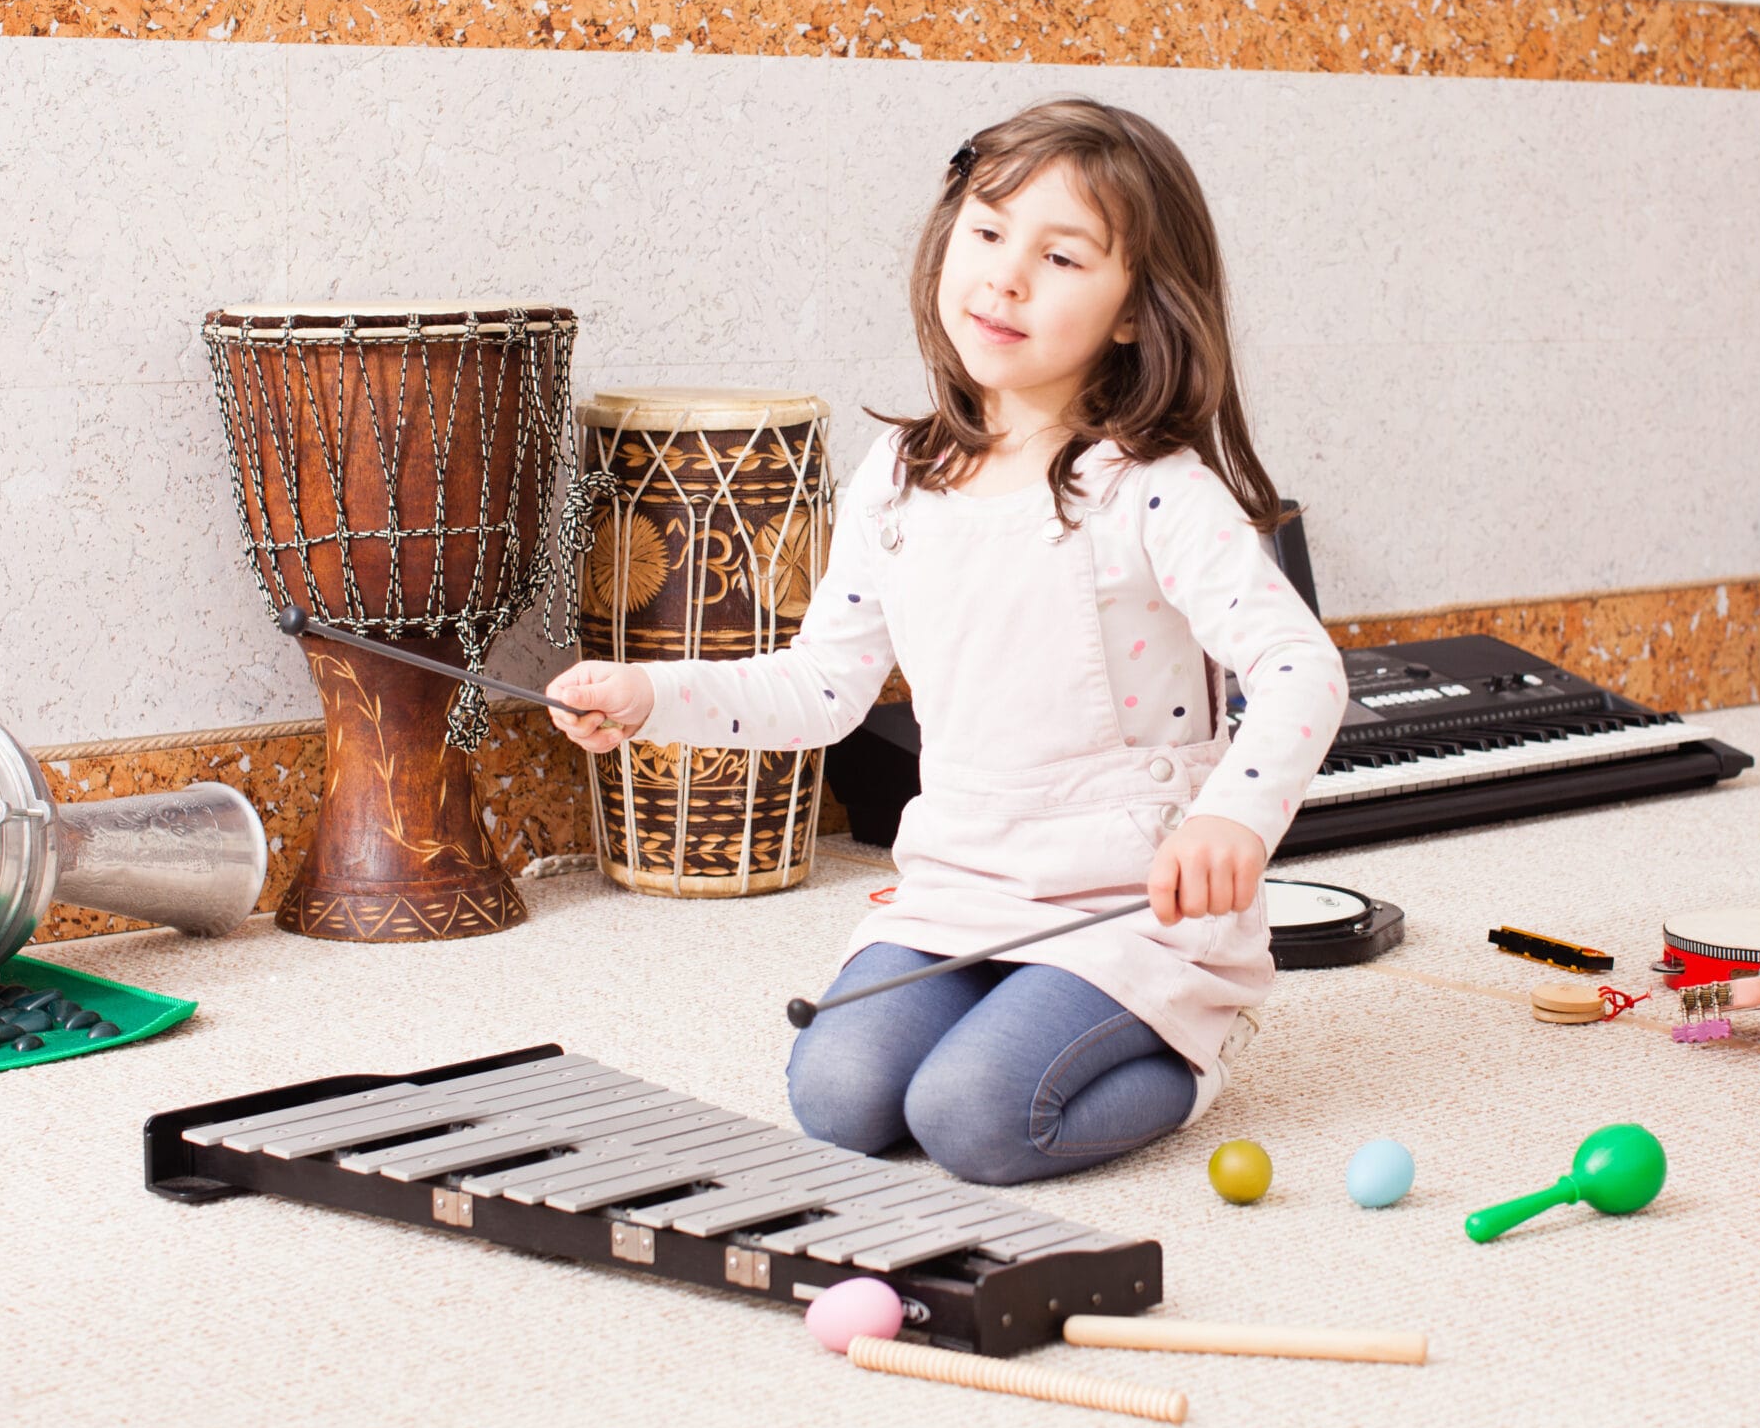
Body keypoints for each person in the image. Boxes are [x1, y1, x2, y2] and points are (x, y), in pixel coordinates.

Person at [546, 96, 1346, 1185]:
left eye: (1060, 257)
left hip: (1121, 899)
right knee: (840, 1097)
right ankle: (1015, 1009)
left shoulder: (1153, 492)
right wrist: (651, 697)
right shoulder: (901, 477)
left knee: (972, 1119)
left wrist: (1232, 823)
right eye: (985, 232)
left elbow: (1300, 667)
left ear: (1132, 311)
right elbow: (826, 686)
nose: (1005, 276)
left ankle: (1189, 1040)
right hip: (960, 882)